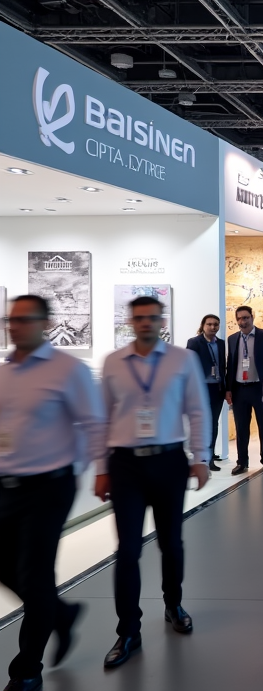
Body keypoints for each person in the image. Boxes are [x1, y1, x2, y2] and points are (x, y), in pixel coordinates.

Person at [95, 296, 211, 669]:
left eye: (151, 318)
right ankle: (128, 630)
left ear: (161, 320)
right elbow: (101, 420)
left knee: (170, 543)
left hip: (169, 462)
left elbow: (197, 409)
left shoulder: (182, 360)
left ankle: (173, 603)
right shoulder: (113, 363)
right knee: (127, 551)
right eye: (138, 318)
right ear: (130, 321)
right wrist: (101, 468)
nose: (145, 323)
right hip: (125, 465)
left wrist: (201, 457)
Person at [0, 295, 105, 691]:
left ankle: (26, 671)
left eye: (24, 319)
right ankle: (60, 614)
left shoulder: (68, 370)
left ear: (45, 323)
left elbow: (94, 424)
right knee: (8, 568)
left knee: (35, 575)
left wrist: (98, 472)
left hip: (49, 487)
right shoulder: (5, 371)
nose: (15, 325)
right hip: (6, 485)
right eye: (11, 319)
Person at [226, 306, 263, 475]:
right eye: (240, 318)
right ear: (236, 320)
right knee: (241, 428)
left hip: (260, 388)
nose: (243, 321)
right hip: (240, 389)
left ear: (252, 317)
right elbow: (230, 365)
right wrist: (228, 389)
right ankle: (242, 462)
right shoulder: (232, 339)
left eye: (246, 317)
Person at [186, 314, 226, 472]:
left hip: (217, 389)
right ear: (203, 325)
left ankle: (210, 457)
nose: (213, 327)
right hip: (200, 389)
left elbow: (223, 366)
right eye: (209, 324)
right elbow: (189, 365)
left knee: (213, 424)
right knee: (200, 423)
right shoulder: (194, 342)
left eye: (216, 324)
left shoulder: (221, 344)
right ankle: (199, 458)